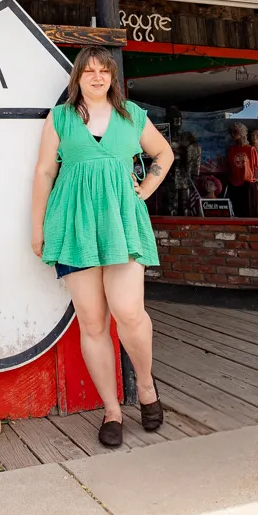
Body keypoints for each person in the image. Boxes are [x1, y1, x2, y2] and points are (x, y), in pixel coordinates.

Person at [30, 47, 174, 448]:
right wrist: (37, 226)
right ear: (76, 78)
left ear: (112, 76)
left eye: (103, 71)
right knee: (92, 322)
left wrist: (146, 187)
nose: (96, 77)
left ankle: (145, 387)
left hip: (122, 222)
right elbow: (45, 170)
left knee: (128, 313)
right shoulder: (59, 118)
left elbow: (164, 153)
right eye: (88, 71)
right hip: (74, 224)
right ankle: (111, 408)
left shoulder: (131, 114)